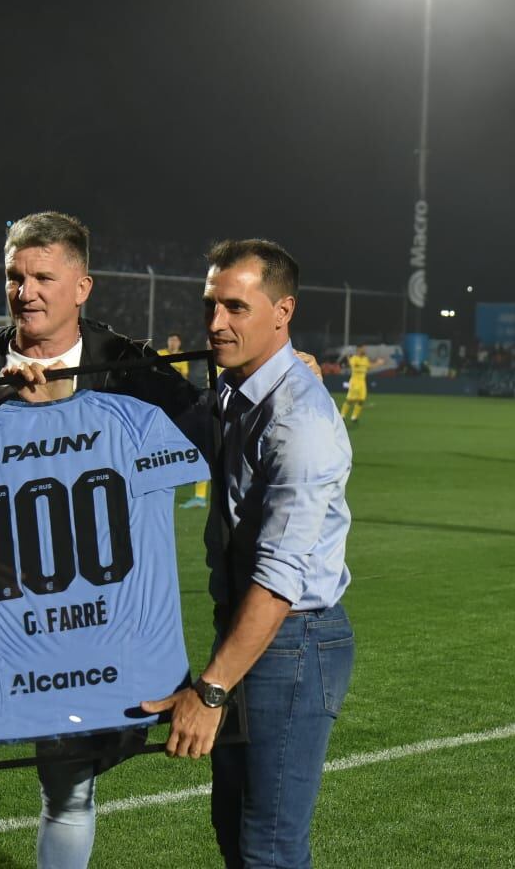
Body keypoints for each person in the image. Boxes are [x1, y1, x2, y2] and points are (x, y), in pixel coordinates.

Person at [0, 212, 199, 869]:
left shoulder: (132, 371)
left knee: (69, 790)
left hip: (82, 623)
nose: (27, 292)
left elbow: (203, 447)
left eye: (44, 276)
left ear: (83, 286)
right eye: (15, 277)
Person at [142, 239, 355, 869]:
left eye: (236, 307)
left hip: (290, 642)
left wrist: (210, 692)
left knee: (268, 847)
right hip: (249, 632)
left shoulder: (298, 421)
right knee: (236, 830)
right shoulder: (233, 392)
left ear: (282, 311)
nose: (215, 323)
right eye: (212, 305)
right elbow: (148, 448)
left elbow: (279, 578)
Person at [160, 332, 210, 508]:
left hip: (207, 408)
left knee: (204, 447)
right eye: (208, 341)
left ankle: (200, 494)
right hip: (165, 403)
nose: (209, 344)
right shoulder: (160, 353)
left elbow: (182, 376)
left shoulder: (222, 363)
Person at [341, 345, 370, 425]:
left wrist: (378, 363)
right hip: (354, 381)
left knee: (361, 400)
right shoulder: (354, 358)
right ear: (359, 350)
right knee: (350, 400)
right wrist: (348, 357)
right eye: (363, 349)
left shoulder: (365, 359)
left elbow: (368, 367)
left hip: (362, 382)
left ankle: (354, 417)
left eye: (365, 348)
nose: (365, 350)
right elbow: (352, 364)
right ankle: (342, 416)